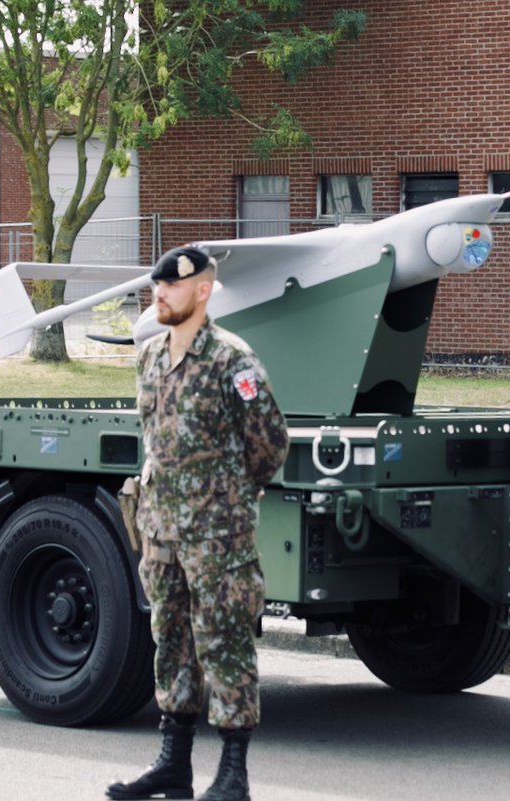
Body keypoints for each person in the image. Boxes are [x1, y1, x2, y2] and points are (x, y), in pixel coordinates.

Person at [107, 246, 289, 801]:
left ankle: (233, 772)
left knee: (225, 643)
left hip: (218, 535)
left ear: (203, 290)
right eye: (155, 285)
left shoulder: (233, 361)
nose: (158, 293)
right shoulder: (149, 357)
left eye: (171, 286)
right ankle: (173, 762)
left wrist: (229, 497)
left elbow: (270, 445)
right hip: (161, 532)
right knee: (171, 643)